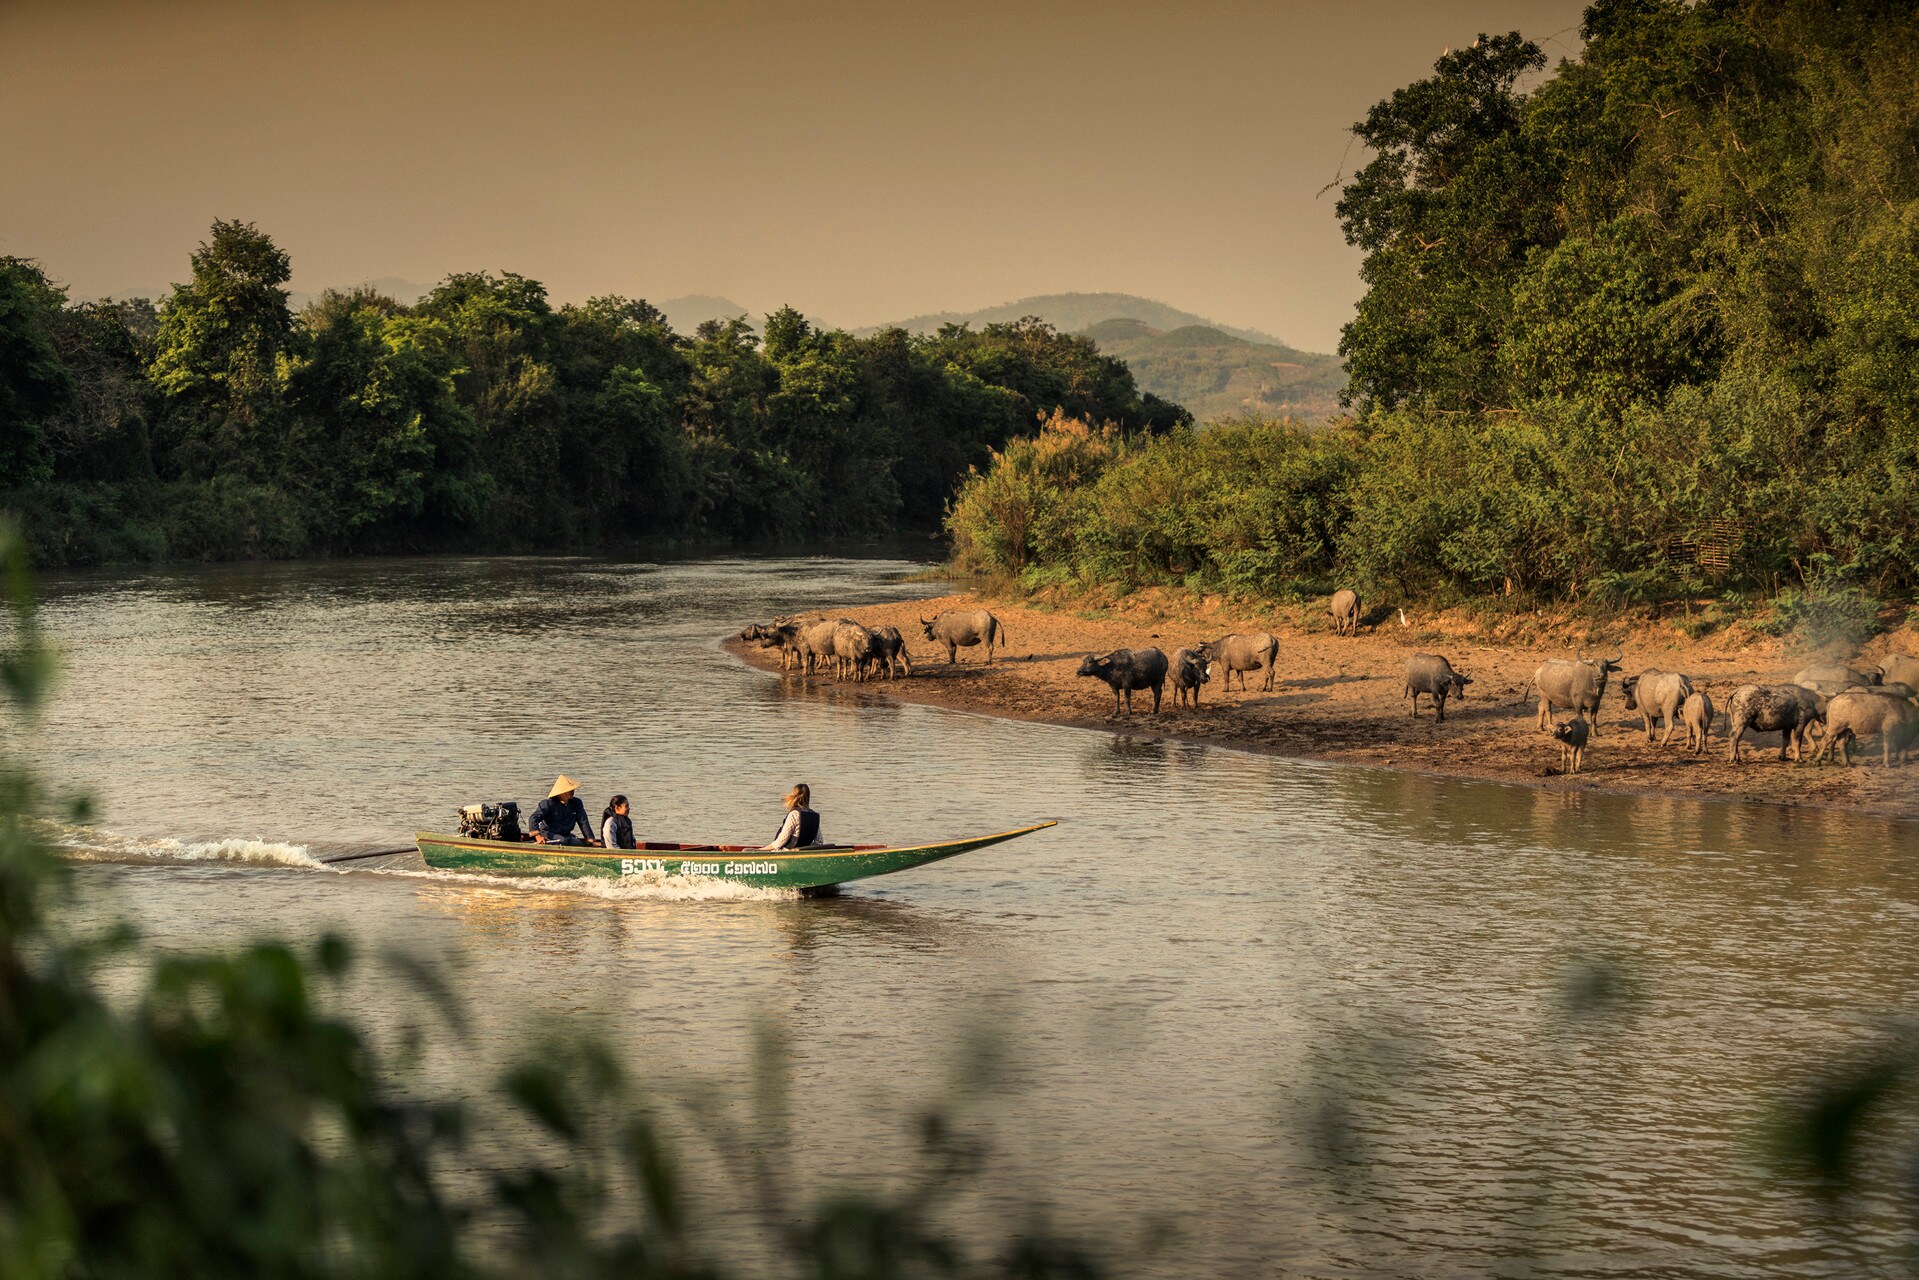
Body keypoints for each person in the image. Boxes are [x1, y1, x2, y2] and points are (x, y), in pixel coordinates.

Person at [529, 775, 600, 846]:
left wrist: (590, 840)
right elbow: (533, 819)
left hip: (567, 835)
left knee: (577, 843)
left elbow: (583, 822)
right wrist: (538, 837)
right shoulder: (548, 804)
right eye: (569, 790)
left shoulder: (577, 803)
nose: (572, 792)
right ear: (561, 792)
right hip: (549, 833)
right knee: (563, 841)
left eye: (572, 790)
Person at [761, 783, 821, 850]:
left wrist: (762, 849)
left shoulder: (794, 814)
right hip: (803, 851)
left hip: (787, 851)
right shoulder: (814, 815)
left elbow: (781, 841)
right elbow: (819, 842)